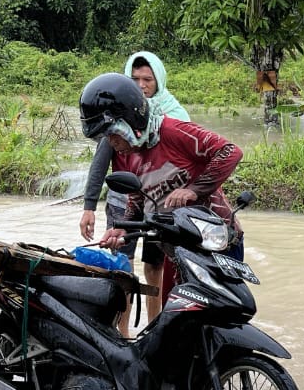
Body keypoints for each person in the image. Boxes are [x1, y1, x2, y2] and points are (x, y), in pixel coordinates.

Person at [79, 73, 242, 304]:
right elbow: (137, 200)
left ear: (130, 122)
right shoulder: (127, 155)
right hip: (177, 251)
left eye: (112, 133)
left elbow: (229, 151)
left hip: (218, 244)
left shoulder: (173, 131)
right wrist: (122, 230)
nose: (111, 142)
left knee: (220, 316)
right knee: (174, 320)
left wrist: (194, 190)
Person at [81, 52, 191, 326]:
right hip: (122, 202)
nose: (141, 85)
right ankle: (123, 330)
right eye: (135, 79)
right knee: (123, 269)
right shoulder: (120, 112)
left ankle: (154, 326)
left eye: (147, 79)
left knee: (156, 268)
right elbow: (100, 163)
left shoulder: (174, 115)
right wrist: (89, 207)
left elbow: (188, 163)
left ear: (159, 80)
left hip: (160, 205)